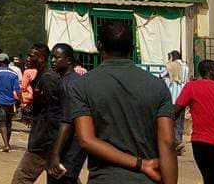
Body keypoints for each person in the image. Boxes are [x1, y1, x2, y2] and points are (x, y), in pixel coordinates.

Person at [70, 19, 176, 184]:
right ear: (132, 48)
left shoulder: (82, 86)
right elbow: (168, 143)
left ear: (99, 45)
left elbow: (86, 140)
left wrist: (141, 164)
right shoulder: (157, 86)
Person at [173, 59, 214, 183]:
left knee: (209, 174)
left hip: (199, 142)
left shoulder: (191, 87)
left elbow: (176, 110)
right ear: (209, 71)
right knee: (211, 173)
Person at [10, 43, 57, 183]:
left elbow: (54, 111)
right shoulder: (40, 76)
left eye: (32, 55)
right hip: (46, 139)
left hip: (43, 141)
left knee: (21, 178)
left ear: (42, 58)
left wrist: (49, 139)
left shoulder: (48, 79)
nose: (28, 58)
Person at [45, 44, 86, 183]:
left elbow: (67, 121)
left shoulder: (67, 84)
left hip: (67, 150)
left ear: (68, 60)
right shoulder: (69, 80)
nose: (53, 61)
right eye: (52, 57)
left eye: (57, 57)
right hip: (69, 149)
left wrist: (56, 154)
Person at [0, 53, 22, 153]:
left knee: (2, 123)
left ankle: (6, 145)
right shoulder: (14, 74)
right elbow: (17, 89)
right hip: (10, 102)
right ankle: (7, 143)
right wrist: (21, 102)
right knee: (9, 123)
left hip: (0, 101)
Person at [163, 49, 190, 153]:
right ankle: (179, 141)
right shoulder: (186, 67)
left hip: (172, 96)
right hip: (183, 96)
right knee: (180, 121)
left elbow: (162, 74)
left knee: (171, 121)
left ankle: (176, 143)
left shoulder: (171, 66)